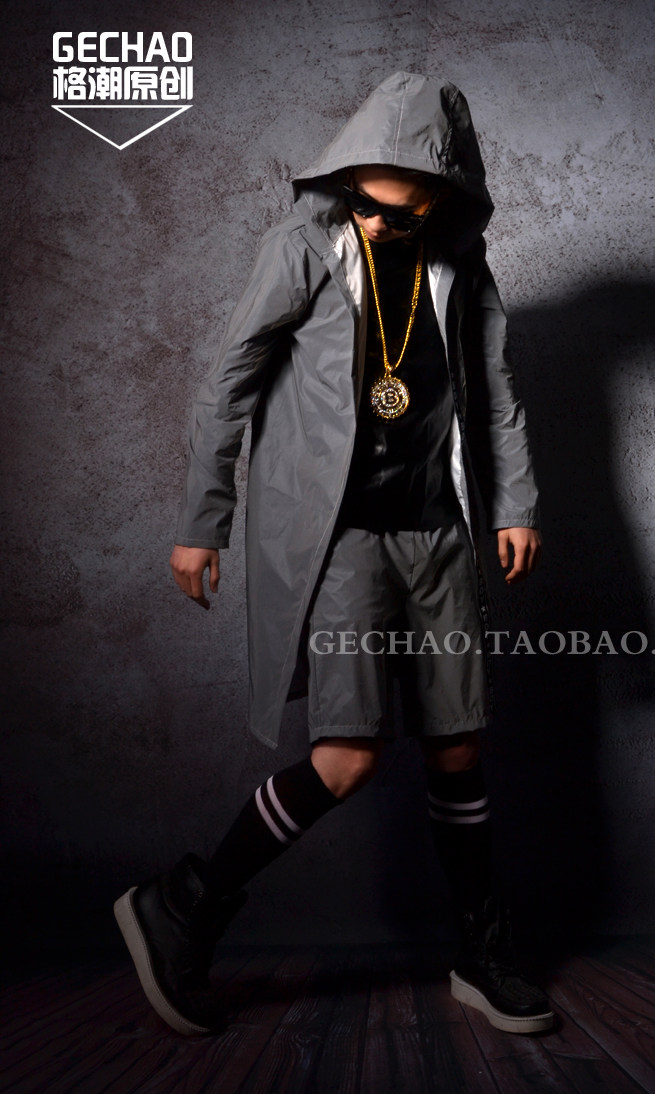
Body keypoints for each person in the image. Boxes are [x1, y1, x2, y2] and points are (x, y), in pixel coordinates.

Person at [115, 72, 554, 1037]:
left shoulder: (460, 258)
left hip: (438, 529)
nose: (378, 220)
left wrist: (515, 504)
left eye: (399, 209)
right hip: (341, 534)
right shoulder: (302, 247)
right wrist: (201, 520)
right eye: (364, 201)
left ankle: (480, 954)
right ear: (347, 182)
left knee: (459, 746)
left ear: (435, 194)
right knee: (349, 757)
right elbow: (229, 383)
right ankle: (185, 903)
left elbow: (495, 385)